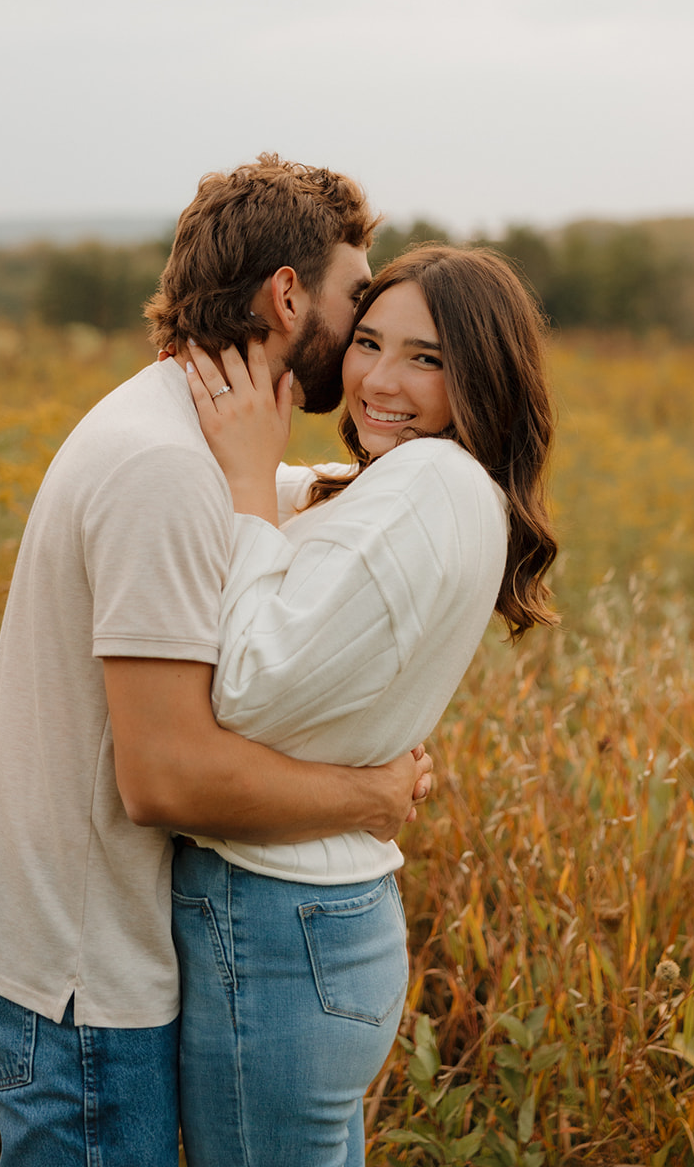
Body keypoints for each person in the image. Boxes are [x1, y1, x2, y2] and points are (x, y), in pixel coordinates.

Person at [0, 156, 432, 1167]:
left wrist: (433, 481)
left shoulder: (182, 430)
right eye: (356, 297)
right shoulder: (161, 467)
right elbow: (164, 778)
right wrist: (368, 794)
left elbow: (273, 493)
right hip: (79, 978)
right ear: (288, 294)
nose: (366, 333)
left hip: (81, 949)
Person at [174, 242, 558, 1167]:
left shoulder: (428, 484)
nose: (379, 381)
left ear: (484, 373)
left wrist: (240, 488)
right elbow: (322, 526)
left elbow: (246, 686)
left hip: (272, 922)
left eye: (426, 359)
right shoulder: (421, 482)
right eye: (368, 343)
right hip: (319, 923)